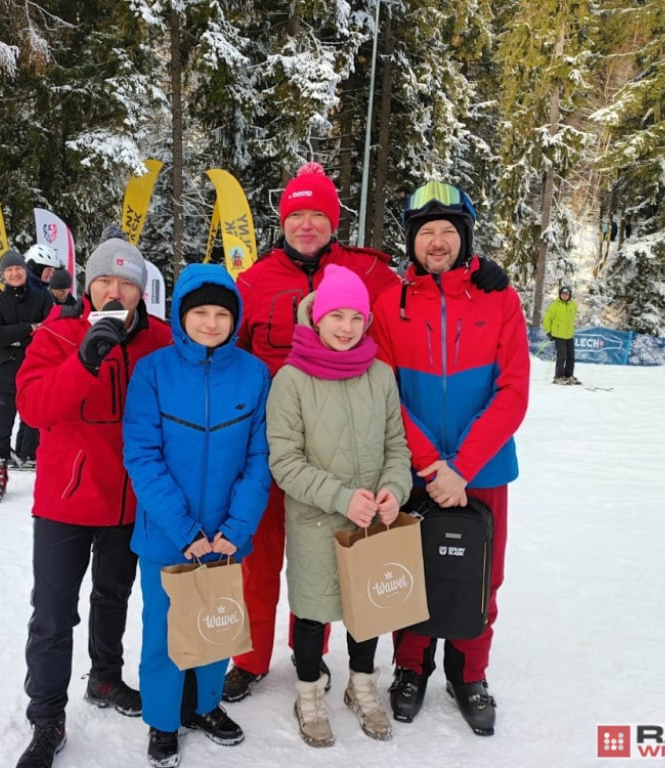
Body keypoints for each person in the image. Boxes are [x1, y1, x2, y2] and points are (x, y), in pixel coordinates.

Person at [225, 162, 509, 702]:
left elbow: (425, 276)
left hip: (342, 446)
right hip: (271, 445)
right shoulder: (255, 280)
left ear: (334, 221)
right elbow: (218, 339)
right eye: (296, 215)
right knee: (260, 561)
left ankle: (320, 655)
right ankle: (250, 659)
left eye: (318, 215)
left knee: (335, 554)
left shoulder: (369, 274)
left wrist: (480, 268)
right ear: (281, 221)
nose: (306, 225)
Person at [369, 180, 530, 737]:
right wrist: (432, 464)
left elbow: (512, 391)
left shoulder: (500, 298)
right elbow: (385, 390)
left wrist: (462, 466)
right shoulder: (389, 303)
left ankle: (469, 673)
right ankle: (410, 669)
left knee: (480, 576)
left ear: (465, 238)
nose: (437, 243)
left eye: (448, 232)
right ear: (411, 241)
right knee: (409, 572)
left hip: (482, 470)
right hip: (414, 467)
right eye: (426, 233)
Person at [11, 228, 172, 768]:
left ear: (140, 290)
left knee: (114, 598)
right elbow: (33, 410)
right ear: (88, 287)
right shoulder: (56, 336)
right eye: (103, 280)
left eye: (125, 283)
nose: (114, 291)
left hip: (131, 502)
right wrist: (83, 360)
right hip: (67, 500)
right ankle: (46, 716)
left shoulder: (161, 339)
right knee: (54, 615)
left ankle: (105, 678)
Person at [123, 263, 271, 768]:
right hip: (168, 534)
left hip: (227, 534)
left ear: (235, 318)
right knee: (163, 631)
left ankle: (206, 705)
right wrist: (184, 530)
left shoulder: (253, 374)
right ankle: (163, 720)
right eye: (200, 312)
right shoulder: (154, 371)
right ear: (182, 315)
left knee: (217, 622)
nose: (211, 323)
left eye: (221, 313)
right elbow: (142, 456)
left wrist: (237, 527)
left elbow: (260, 457)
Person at [266, 264, 412, 747]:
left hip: (369, 522)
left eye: (356, 317)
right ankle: (308, 692)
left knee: (366, 610)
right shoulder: (291, 379)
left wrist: (395, 489)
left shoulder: (381, 375)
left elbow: (397, 446)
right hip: (316, 521)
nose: (346, 327)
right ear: (317, 317)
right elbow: (284, 462)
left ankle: (361, 684)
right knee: (311, 613)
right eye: (336, 316)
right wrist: (341, 497)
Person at [0, 250, 53, 503]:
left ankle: (48, 472)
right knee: (1, 427)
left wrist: (17, 336)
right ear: (3, 274)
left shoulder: (42, 297)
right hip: (6, 372)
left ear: (25, 270)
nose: (14, 273)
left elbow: (50, 330)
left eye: (18, 269)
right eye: (9, 270)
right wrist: (29, 329)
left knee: (41, 423)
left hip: (36, 370)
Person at [542, 285, 579, 384]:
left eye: (567, 294)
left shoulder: (573, 305)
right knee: (562, 356)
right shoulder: (555, 305)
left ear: (570, 295)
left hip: (569, 334)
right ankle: (558, 377)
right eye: (563, 294)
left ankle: (568, 376)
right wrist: (548, 332)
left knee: (571, 356)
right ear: (560, 295)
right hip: (558, 335)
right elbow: (547, 319)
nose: (565, 296)